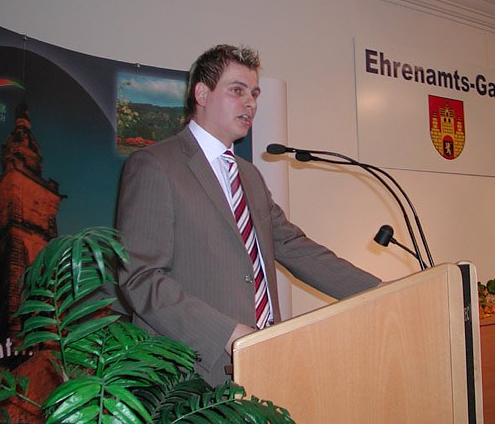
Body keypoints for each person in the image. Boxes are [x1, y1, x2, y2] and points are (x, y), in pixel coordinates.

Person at [116, 44, 380, 387]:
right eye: (237, 91)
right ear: (202, 93)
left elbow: (295, 247)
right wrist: (228, 334)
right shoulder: (155, 165)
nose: (251, 103)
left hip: (265, 362)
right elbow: (141, 279)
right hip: (192, 375)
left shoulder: (249, 175)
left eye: (254, 93)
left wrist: (379, 291)